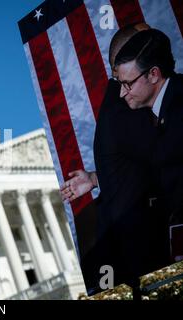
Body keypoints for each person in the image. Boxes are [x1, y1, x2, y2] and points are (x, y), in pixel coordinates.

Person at [60, 24, 167, 290]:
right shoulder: (129, 106)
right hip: (147, 252)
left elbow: (131, 166)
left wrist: (96, 178)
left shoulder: (118, 105)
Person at [114, 28, 183, 264]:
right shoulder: (162, 110)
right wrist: (94, 179)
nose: (122, 93)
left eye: (127, 83)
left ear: (153, 74)